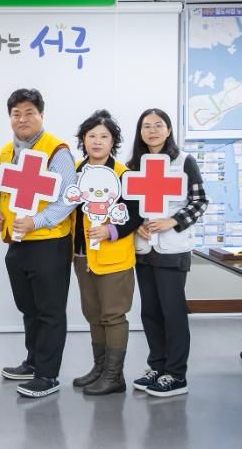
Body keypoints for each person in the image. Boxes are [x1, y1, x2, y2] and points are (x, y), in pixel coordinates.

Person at [0, 88, 77, 398]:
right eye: (16, 114)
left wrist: (36, 221)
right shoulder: (5, 152)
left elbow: (69, 198)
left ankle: (48, 376)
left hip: (49, 243)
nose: (22, 119)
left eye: (29, 113)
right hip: (17, 242)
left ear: (41, 115)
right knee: (29, 308)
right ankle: (34, 361)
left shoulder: (57, 150)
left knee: (50, 311)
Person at [127, 108, 208, 398]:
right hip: (144, 248)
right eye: (146, 126)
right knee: (150, 312)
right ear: (140, 132)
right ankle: (157, 366)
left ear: (169, 130)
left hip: (173, 248)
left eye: (158, 125)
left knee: (172, 312)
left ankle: (176, 374)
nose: (152, 131)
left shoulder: (184, 161)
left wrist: (172, 221)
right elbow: (129, 207)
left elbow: (200, 201)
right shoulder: (133, 165)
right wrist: (136, 226)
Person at [69, 110, 143, 395]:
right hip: (81, 255)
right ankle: (99, 369)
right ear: (83, 140)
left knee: (113, 316)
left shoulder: (124, 174)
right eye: (92, 136)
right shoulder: (75, 171)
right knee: (93, 314)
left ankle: (114, 376)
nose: (97, 141)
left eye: (104, 136)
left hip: (114, 257)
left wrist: (110, 230)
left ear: (113, 141)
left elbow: (135, 214)